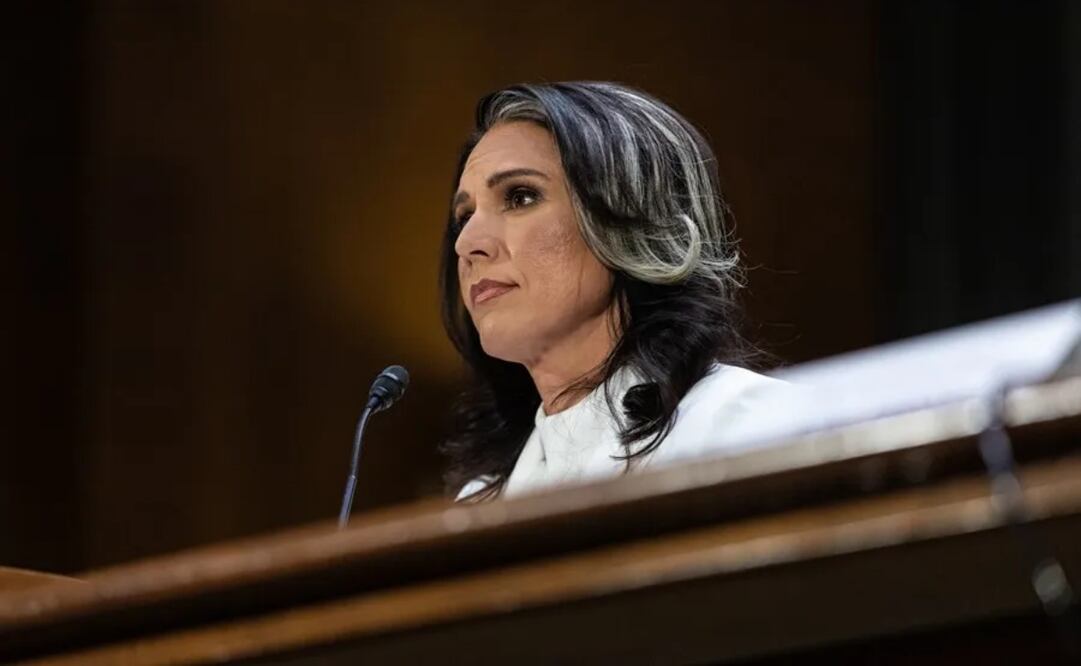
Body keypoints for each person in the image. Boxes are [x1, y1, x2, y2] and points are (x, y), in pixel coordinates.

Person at [439, 82, 791, 502]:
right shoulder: (480, 504)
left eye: (520, 196)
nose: (467, 243)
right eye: (464, 216)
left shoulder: (745, 424)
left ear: (633, 220)